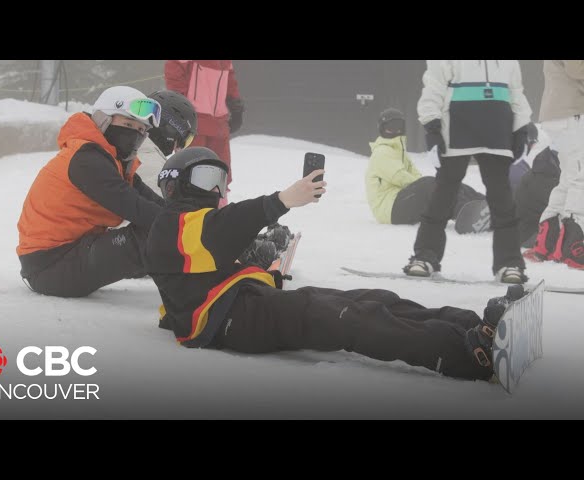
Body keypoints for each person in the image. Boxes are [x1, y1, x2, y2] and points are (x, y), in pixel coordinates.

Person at [144, 146, 527, 382]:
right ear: (173, 184)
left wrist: (266, 269)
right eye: (206, 177)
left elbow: (205, 268)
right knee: (352, 318)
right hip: (231, 321)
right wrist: (279, 200)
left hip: (246, 305)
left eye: (221, 179)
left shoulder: (193, 229)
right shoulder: (172, 224)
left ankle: (473, 326)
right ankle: (470, 357)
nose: (215, 189)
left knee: (374, 298)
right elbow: (224, 228)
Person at [16, 85, 164, 297]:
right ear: (104, 120)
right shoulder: (87, 160)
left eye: (141, 130)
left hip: (70, 254)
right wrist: (188, 229)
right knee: (153, 235)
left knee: (161, 231)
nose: (136, 134)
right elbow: (136, 208)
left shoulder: (111, 161)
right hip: (50, 266)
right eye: (128, 124)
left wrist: (193, 218)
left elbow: (153, 202)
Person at [403, 60, 533, 284]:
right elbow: (434, 86)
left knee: (502, 199)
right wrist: (432, 125)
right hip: (456, 131)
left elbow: (516, 92)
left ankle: (509, 263)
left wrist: (521, 128)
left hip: (497, 131)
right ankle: (425, 256)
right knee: (444, 194)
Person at [365, 107, 484, 225]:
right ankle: (466, 214)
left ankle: (484, 204)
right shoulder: (382, 151)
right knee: (430, 184)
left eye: (399, 127)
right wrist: (428, 186)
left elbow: (416, 175)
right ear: (382, 129)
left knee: (445, 183)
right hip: (389, 209)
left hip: (401, 200)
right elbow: (399, 176)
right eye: (390, 128)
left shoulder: (399, 152)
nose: (396, 131)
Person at [522, 60, 584, 269]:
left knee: (568, 178)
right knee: (580, 178)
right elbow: (577, 69)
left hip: (561, 113)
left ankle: (547, 244)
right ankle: (575, 248)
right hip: (571, 113)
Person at [164, 60, 244, 207]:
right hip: (194, 117)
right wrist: (179, 103)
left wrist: (235, 103)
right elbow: (174, 68)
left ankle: (219, 211)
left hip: (219, 119)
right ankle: (187, 210)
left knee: (222, 169)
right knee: (191, 168)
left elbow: (230, 77)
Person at [136, 89, 198, 194]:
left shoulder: (125, 147)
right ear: (169, 131)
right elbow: (161, 209)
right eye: (182, 142)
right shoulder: (155, 170)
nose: (177, 149)